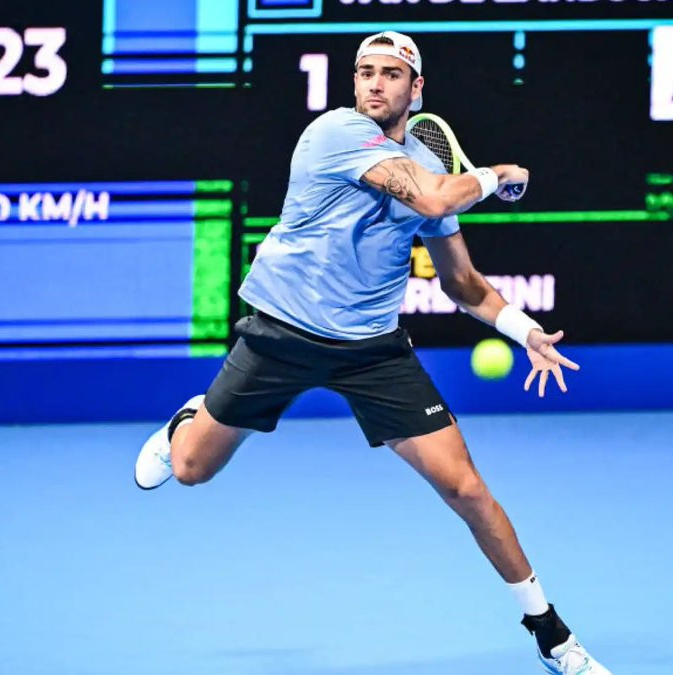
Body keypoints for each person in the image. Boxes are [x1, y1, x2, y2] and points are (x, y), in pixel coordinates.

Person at [135, 31, 611, 675]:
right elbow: (435, 197)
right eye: (365, 72)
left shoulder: (428, 161)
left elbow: (462, 283)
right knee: (193, 470)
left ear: (417, 89)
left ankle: (550, 634)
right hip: (283, 330)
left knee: (467, 489)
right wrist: (495, 175)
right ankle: (186, 422)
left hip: (372, 351)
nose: (375, 84)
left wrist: (524, 330)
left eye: (391, 74)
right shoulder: (336, 134)